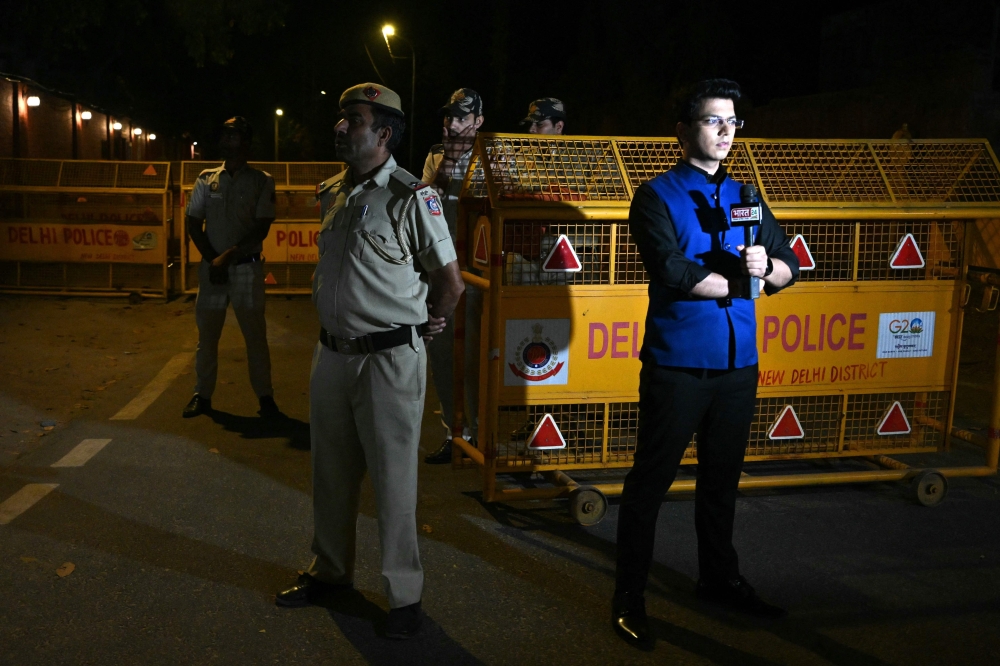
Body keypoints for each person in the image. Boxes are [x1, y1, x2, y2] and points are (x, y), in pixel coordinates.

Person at [612, 79, 800, 645]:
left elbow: (790, 266)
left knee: (721, 483)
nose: (726, 131)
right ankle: (629, 596)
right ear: (683, 128)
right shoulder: (656, 195)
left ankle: (719, 579)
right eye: (713, 120)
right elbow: (671, 271)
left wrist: (767, 268)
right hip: (677, 366)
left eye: (733, 121)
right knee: (650, 484)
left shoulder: (748, 193)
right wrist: (749, 282)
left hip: (739, 367)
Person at [275, 83, 464, 640]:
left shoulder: (412, 197)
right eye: (341, 119)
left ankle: (404, 598)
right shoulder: (333, 191)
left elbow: (449, 283)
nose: (340, 128)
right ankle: (330, 572)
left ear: (382, 133)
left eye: (351, 120)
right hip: (331, 354)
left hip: (389, 359)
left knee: (393, 482)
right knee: (329, 474)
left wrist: (426, 325)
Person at [183, 116, 279, 419]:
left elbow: (262, 227)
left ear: (246, 141)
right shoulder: (205, 178)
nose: (226, 140)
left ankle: (265, 399)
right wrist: (214, 259)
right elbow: (193, 222)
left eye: (233, 135)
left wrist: (228, 256)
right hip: (214, 270)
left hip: (245, 270)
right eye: (223, 135)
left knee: (255, 338)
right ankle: (202, 394)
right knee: (207, 337)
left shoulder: (262, 180)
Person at [421, 88, 485, 464]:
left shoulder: (494, 156)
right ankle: (454, 432)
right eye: (449, 117)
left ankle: (482, 433)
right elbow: (426, 205)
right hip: (443, 274)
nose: (452, 124)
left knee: (479, 357)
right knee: (443, 356)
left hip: (480, 276)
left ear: (478, 121)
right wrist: (448, 161)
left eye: (461, 117)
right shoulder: (434, 156)